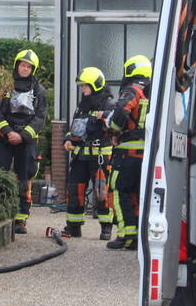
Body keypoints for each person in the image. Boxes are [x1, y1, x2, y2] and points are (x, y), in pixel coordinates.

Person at [0, 49, 47, 234]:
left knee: (24, 177)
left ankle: (21, 219)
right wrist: (8, 131)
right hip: (3, 138)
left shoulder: (39, 91)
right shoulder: (4, 86)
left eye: (28, 66)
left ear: (33, 70)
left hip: (26, 140)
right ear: (16, 65)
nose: (25, 69)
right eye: (22, 65)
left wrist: (23, 135)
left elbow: (40, 117)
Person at [105, 54, 152, 250]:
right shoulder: (153, 91)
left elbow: (122, 112)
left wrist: (114, 130)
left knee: (119, 190)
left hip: (127, 151)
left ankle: (125, 235)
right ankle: (137, 238)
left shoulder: (132, 90)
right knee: (138, 194)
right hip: (147, 152)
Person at [63, 66, 116, 239]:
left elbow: (116, 125)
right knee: (75, 190)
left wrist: (105, 116)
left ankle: (106, 228)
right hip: (80, 155)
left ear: (96, 85)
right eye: (82, 86)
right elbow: (75, 128)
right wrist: (68, 140)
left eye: (85, 85)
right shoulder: (82, 106)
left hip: (100, 154)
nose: (82, 89)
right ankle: (73, 226)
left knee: (102, 192)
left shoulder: (108, 103)